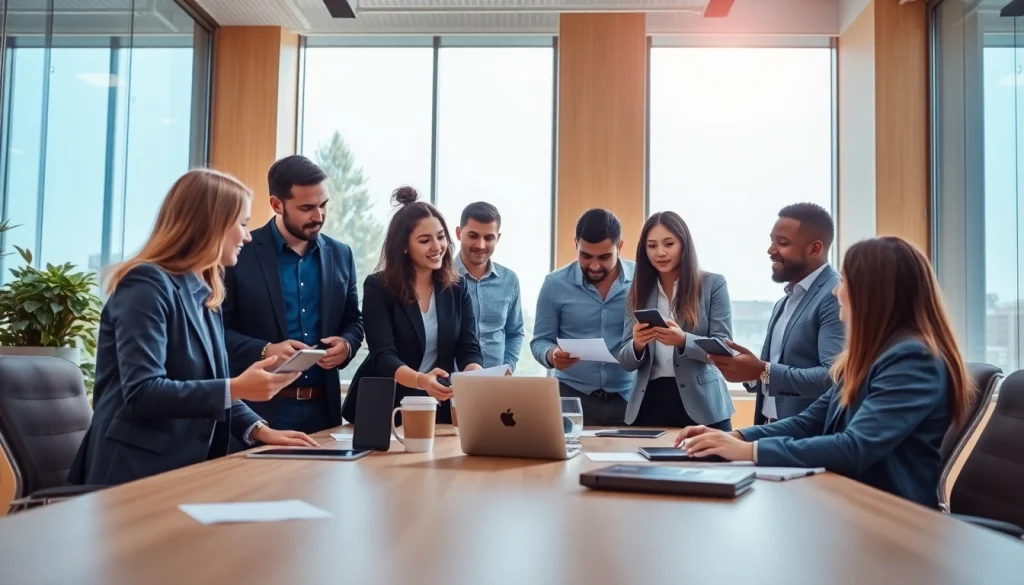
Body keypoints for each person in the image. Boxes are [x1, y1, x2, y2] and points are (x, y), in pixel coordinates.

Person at [675, 237, 973, 508]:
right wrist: (734, 436)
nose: (836, 290)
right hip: (851, 501)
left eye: (845, 281)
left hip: (891, 515)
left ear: (873, 293)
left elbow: (854, 447)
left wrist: (749, 451)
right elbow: (809, 423)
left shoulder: (912, 359)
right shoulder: (869, 358)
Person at [68, 169, 317, 487]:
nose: (248, 236)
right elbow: (143, 392)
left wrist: (259, 429)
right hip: (133, 474)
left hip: (184, 470)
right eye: (242, 224)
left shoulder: (206, 292)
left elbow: (207, 384)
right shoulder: (146, 284)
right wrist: (238, 386)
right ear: (212, 224)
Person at [223, 155, 364, 434]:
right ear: (276, 204)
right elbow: (217, 331)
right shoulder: (240, 253)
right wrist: (265, 350)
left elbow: (354, 321)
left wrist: (346, 345)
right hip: (257, 412)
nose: (319, 216)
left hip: (325, 412)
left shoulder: (341, 254)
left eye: (323, 205)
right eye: (307, 208)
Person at [340, 187, 484, 424]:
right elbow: (384, 356)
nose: (437, 246)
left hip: (436, 405)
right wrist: (421, 380)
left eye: (440, 236)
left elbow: (468, 347)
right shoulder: (379, 287)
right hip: (384, 405)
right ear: (404, 246)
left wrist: (475, 374)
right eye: (425, 240)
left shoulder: (457, 287)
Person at [709, 203, 844, 425]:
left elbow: (833, 377)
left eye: (783, 243)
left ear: (815, 248)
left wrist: (763, 371)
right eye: (772, 240)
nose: (771, 250)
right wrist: (750, 372)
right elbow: (773, 371)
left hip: (809, 438)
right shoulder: (784, 302)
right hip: (771, 427)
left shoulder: (834, 295)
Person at [618, 212, 734, 429]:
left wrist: (683, 341)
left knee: (711, 463)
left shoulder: (712, 284)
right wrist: (637, 344)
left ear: (684, 245)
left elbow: (724, 347)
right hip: (649, 403)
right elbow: (625, 361)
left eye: (668, 244)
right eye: (652, 246)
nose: (660, 252)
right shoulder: (636, 293)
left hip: (703, 405)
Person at [531, 209, 635, 426]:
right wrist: (552, 355)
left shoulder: (641, 281)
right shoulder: (554, 284)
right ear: (575, 244)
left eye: (604, 257)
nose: (595, 266)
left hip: (629, 399)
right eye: (586, 256)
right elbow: (540, 341)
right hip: (570, 400)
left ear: (620, 246)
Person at [454, 202, 524, 372]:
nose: (481, 245)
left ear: (498, 238)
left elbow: (515, 332)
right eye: (473, 235)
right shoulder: (441, 278)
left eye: (488, 237)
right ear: (458, 233)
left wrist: (508, 366)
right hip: (449, 386)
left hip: (496, 385)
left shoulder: (510, 280)